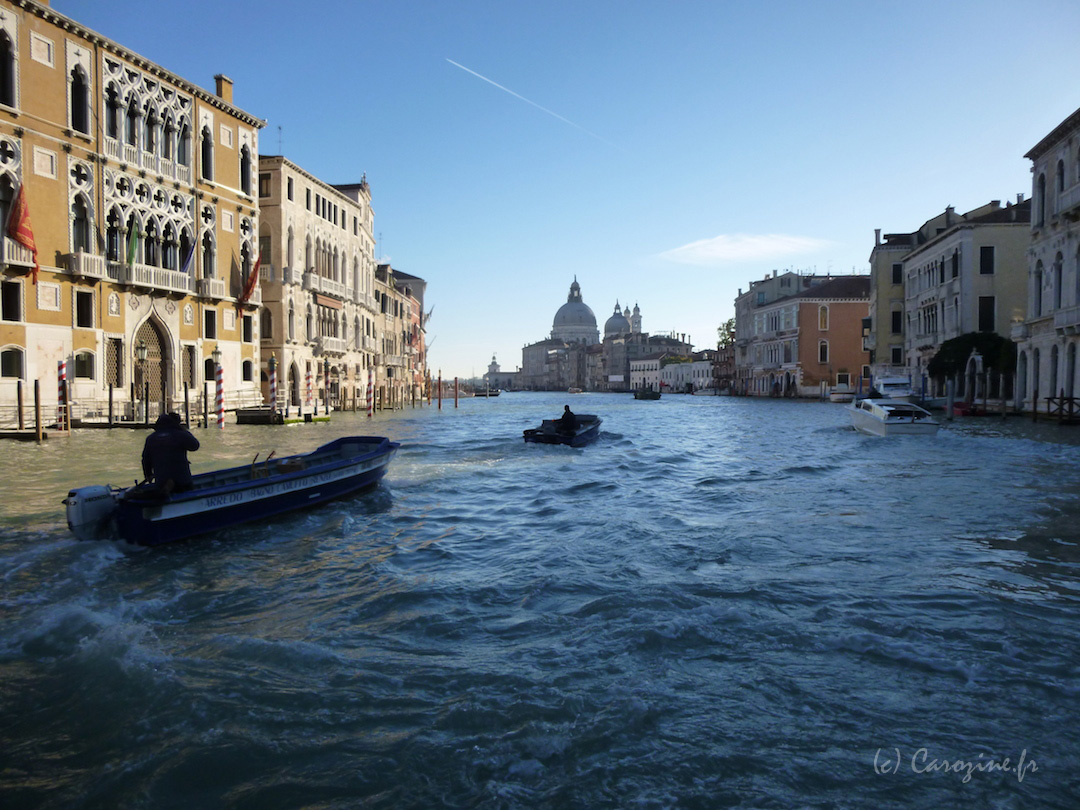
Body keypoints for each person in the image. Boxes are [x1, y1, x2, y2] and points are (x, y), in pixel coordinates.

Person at [142, 412, 200, 493]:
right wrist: (182, 430)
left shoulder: (151, 438)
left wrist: (148, 474)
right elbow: (195, 446)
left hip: (161, 481)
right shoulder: (180, 434)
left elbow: (145, 459)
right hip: (181, 480)